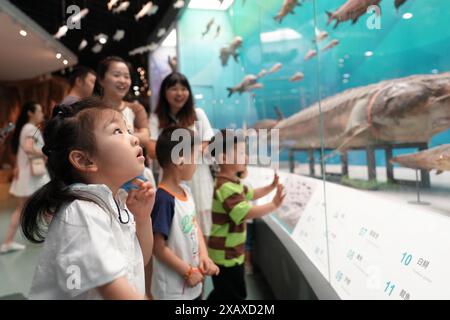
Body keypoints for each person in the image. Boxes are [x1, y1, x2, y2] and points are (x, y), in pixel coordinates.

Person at [20, 98, 155, 299]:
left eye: (128, 130)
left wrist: (143, 219)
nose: (134, 138)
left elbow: (137, 261)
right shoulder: (82, 212)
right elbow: (114, 291)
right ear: (84, 160)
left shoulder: (114, 203)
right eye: (118, 131)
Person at [207, 129, 285, 300]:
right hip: (225, 254)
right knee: (233, 295)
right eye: (241, 153)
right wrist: (273, 205)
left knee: (226, 291)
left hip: (232, 253)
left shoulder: (233, 182)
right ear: (224, 158)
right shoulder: (225, 187)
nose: (246, 157)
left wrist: (271, 187)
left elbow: (251, 194)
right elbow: (245, 212)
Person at [151, 126, 219, 300]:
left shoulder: (186, 192)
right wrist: (187, 271)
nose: (197, 164)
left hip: (193, 283)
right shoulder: (163, 200)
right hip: (173, 292)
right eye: (195, 157)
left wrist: (204, 256)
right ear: (180, 161)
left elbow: (195, 227)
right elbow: (158, 247)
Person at [148, 72, 214, 239]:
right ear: (164, 92)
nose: (179, 93)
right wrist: (189, 151)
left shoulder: (197, 113)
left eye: (183, 89)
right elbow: (151, 149)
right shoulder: (156, 118)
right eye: (174, 89)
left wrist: (178, 154)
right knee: (175, 225)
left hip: (197, 176)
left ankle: (201, 261)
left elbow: (207, 142)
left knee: (200, 223)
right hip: (171, 177)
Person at [1, 102, 49, 254]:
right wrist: (44, 153)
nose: (42, 114)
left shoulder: (25, 129)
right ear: (30, 113)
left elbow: (24, 151)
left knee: (27, 208)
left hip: (29, 176)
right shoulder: (30, 129)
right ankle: (60, 236)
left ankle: (8, 242)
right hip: (33, 177)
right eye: (40, 111)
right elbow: (28, 148)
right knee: (47, 207)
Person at [97, 56, 149, 146]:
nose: (123, 81)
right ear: (101, 80)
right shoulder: (93, 109)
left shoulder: (136, 108)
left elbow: (145, 138)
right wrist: (132, 134)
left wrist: (111, 136)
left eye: (126, 76)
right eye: (116, 75)